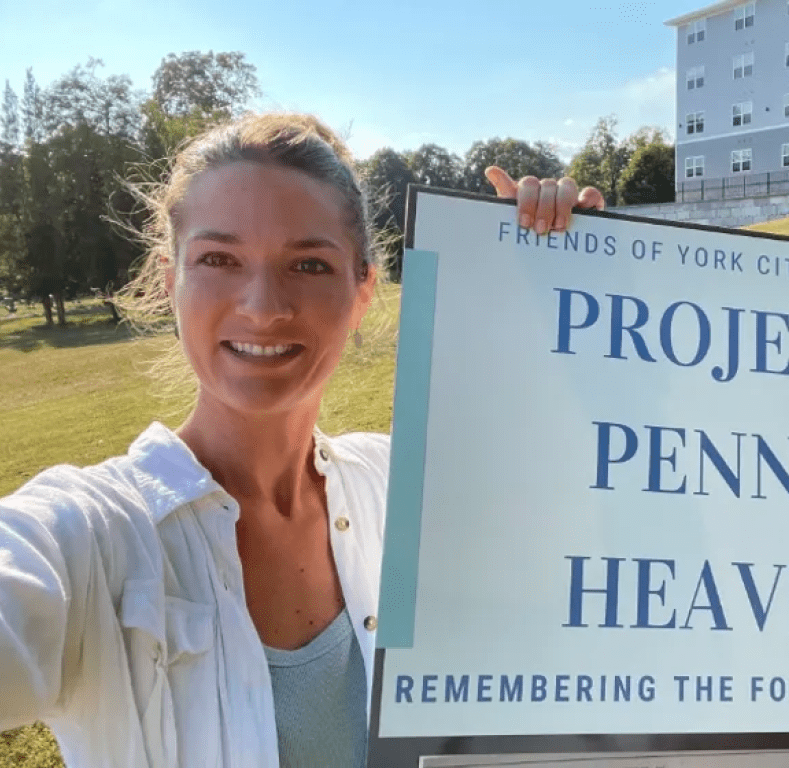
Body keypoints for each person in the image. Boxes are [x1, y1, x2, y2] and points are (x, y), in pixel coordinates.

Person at [0, 112, 603, 768]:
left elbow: (570, 487)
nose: (262, 305)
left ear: (363, 290)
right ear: (172, 281)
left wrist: (569, 272)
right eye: (219, 259)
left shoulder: (392, 481)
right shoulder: (89, 536)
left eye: (310, 264)